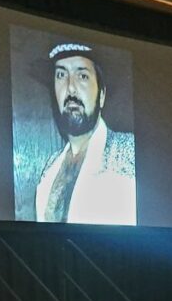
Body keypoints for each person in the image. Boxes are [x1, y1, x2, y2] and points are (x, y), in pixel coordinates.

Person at [35, 43, 136, 225]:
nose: (70, 88)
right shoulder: (48, 170)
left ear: (102, 95)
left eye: (82, 76)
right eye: (61, 75)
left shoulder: (131, 153)